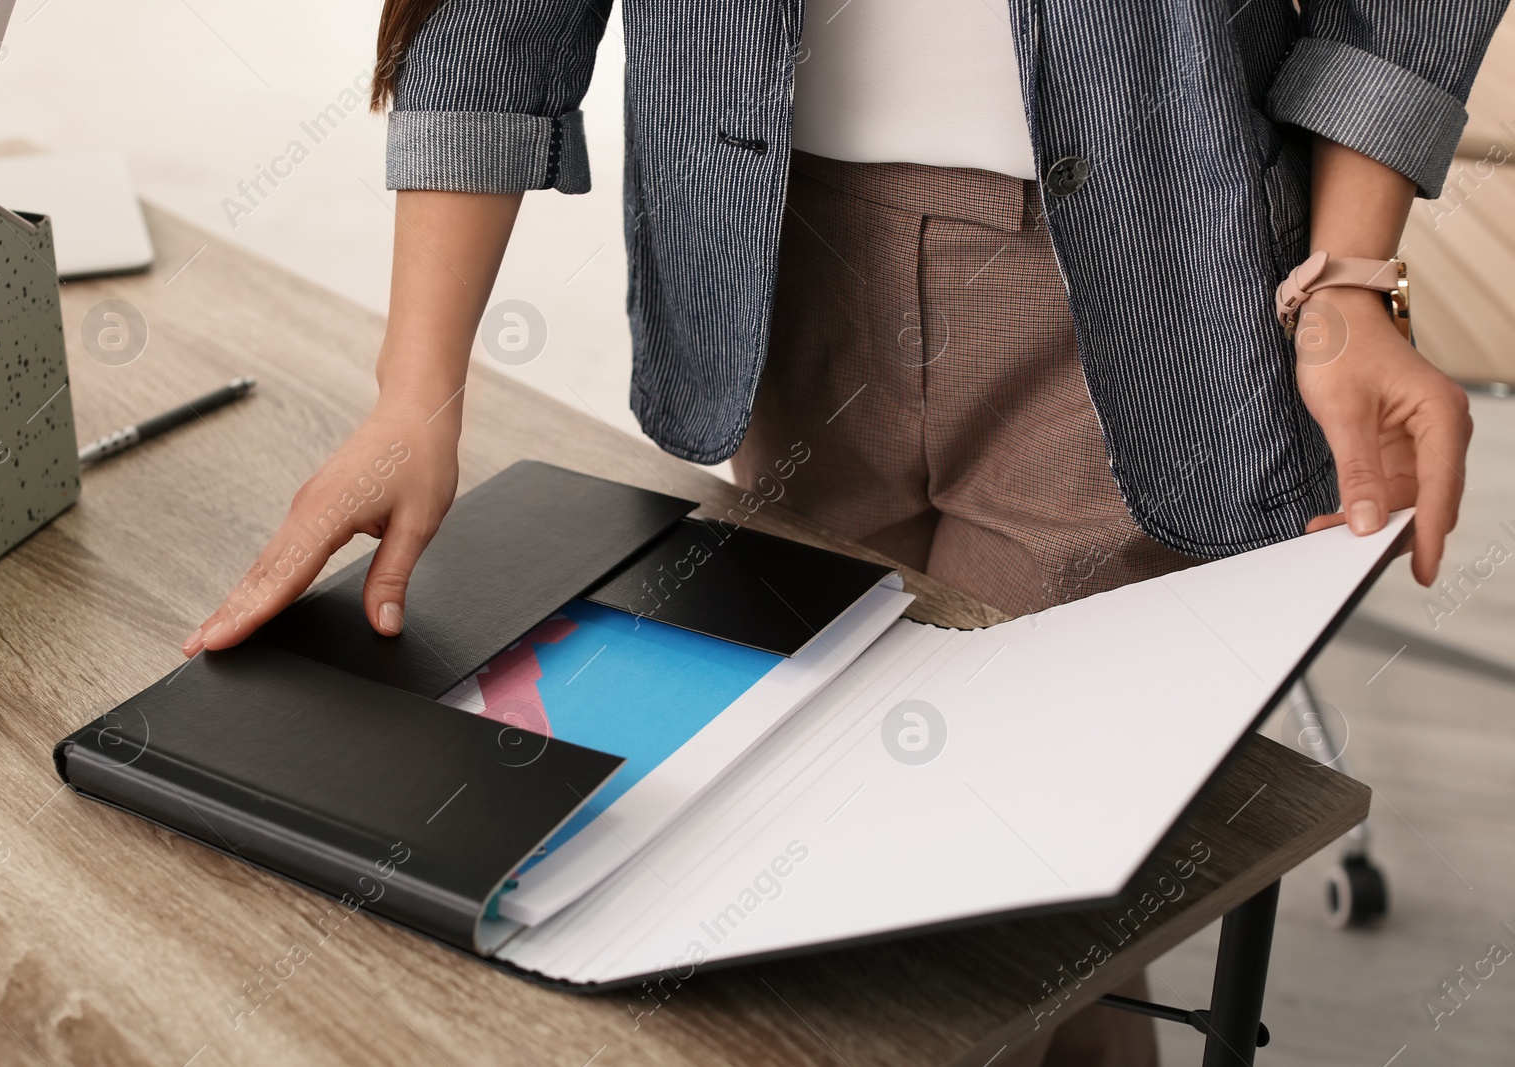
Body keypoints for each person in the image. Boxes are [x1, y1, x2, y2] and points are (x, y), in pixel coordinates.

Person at [183, 2, 1503, 1061]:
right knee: (793, 841)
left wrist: (1351, 270)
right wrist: (416, 395)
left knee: (1011, 892)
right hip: (777, 272)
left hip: (1136, 280)